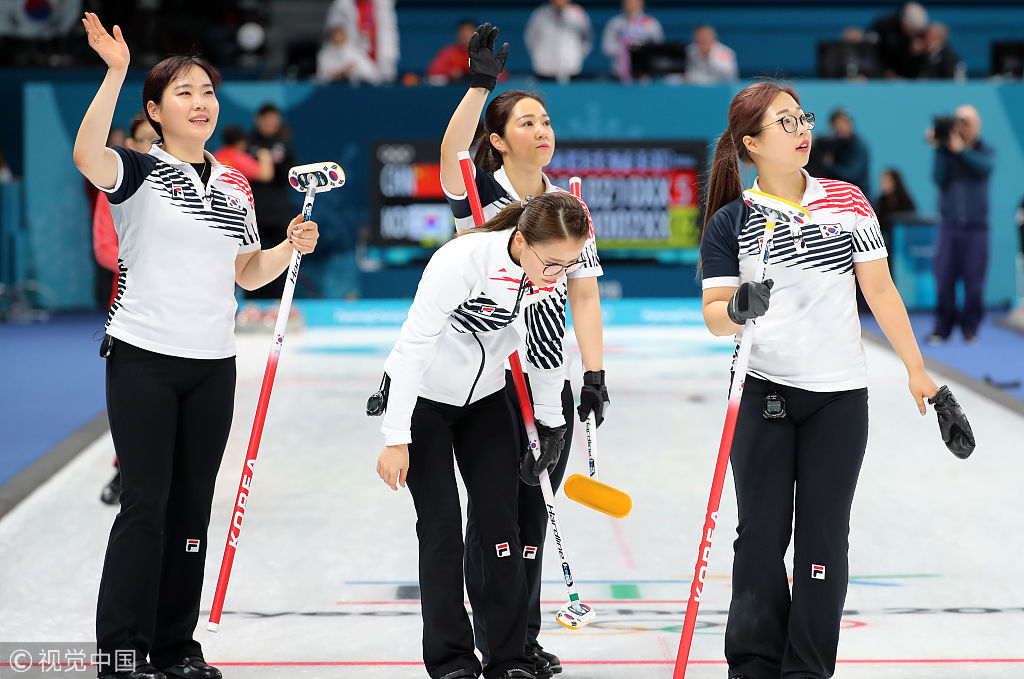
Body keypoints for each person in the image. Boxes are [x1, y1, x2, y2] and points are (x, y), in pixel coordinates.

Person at [73, 13, 319, 679]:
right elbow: (86, 154)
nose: (201, 101)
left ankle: (176, 645)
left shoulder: (235, 184)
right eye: (183, 92)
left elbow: (244, 271)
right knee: (145, 506)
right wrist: (116, 73)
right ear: (153, 110)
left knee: (190, 510)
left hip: (213, 364)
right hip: (144, 359)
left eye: (207, 90)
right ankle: (122, 651)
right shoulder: (136, 170)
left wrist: (284, 248)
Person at [699, 81, 941, 679]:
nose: (802, 128)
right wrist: (739, 309)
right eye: (785, 122)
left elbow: (879, 289)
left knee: (823, 541)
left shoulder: (849, 201)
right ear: (751, 142)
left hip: (838, 395)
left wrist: (917, 370)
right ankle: (753, 663)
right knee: (760, 536)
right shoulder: (734, 220)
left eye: (801, 117)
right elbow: (713, 315)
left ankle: (807, 668)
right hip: (764, 392)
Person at [439, 24, 607, 679]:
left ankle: (523, 638)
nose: (542, 130)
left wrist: (592, 373)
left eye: (547, 120)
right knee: (495, 519)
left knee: (535, 514)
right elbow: (453, 149)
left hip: (548, 382)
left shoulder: (567, 206)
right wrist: (481, 86)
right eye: (526, 121)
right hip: (487, 381)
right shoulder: (480, 196)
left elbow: (585, 296)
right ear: (499, 138)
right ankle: (497, 644)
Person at [374, 192, 591, 679]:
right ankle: (451, 659)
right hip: (425, 400)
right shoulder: (460, 262)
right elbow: (413, 346)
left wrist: (551, 424)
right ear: (521, 240)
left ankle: (508, 656)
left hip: (485, 400)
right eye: (553, 263)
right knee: (443, 530)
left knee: (500, 526)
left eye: (569, 264)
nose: (559, 275)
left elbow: (547, 352)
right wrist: (395, 435)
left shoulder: (545, 279)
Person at [95, 111, 160, 507]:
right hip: (132, 315)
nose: (147, 148)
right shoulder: (117, 188)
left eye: (155, 141)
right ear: (128, 144)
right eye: (140, 141)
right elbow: (105, 249)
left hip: (184, 315)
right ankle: (124, 471)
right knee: (133, 405)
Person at [926, 104, 994, 343]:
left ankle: (970, 328)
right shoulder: (946, 152)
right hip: (950, 225)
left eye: (968, 121)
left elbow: (984, 168)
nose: (963, 125)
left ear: (977, 125)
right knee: (943, 279)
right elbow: (937, 178)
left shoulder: (985, 150)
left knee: (975, 282)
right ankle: (942, 328)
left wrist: (961, 150)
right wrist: (939, 148)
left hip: (977, 227)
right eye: (960, 120)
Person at [246, 102, 296, 299]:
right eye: (267, 120)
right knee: (250, 257)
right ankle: (252, 304)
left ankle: (278, 302)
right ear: (258, 120)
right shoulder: (248, 144)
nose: (271, 124)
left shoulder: (284, 144)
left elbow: (291, 175)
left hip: (278, 210)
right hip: (253, 211)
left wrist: (276, 163)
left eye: (274, 120)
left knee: (280, 257)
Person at [524, 0, 593, 83]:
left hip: (571, 72)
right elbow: (530, 38)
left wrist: (578, 57)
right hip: (544, 72)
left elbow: (587, 38)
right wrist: (538, 58)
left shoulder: (578, 14)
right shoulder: (540, 14)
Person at [601, 0, 664, 82]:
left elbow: (658, 48)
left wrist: (639, 49)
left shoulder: (651, 24)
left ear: (641, 3)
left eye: (633, 2)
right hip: (618, 76)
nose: (630, 5)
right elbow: (607, 48)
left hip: (645, 76)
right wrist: (624, 48)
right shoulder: (615, 24)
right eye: (627, 2)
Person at [815, 108, 871, 196]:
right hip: (838, 196)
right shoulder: (834, 143)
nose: (839, 127)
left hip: (858, 198)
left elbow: (852, 175)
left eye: (843, 123)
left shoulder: (859, 147)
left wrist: (830, 165)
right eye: (836, 124)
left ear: (850, 124)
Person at [868, 2, 929, 78]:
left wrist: (915, 55)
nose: (912, 33)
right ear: (904, 22)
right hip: (880, 75)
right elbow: (873, 53)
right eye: (911, 29)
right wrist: (885, 70)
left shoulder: (919, 37)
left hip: (904, 78)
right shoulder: (883, 26)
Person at [315, 23, 381, 84]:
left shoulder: (355, 53)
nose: (338, 41)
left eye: (341, 38)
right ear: (331, 39)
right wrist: (340, 73)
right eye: (336, 38)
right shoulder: (324, 55)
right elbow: (321, 75)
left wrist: (354, 71)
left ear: (345, 38)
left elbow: (371, 73)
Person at [874, 167, 916, 249]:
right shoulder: (880, 201)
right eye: (882, 181)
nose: (883, 184)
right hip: (884, 238)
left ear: (895, 182)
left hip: (902, 239)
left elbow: (911, 219)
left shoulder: (905, 200)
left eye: (886, 181)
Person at [426, 19, 477, 83]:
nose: (465, 35)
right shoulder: (449, 52)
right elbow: (433, 71)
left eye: (469, 31)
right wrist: (450, 72)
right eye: (462, 32)